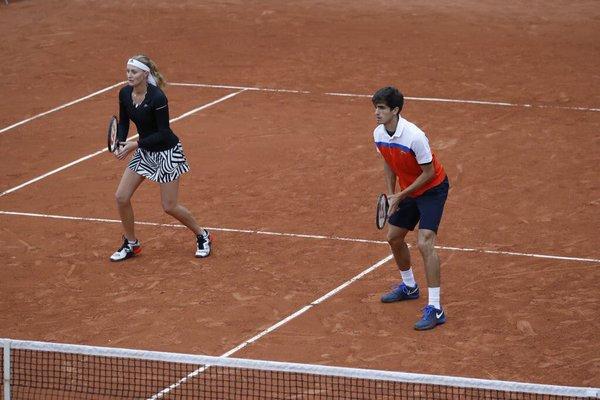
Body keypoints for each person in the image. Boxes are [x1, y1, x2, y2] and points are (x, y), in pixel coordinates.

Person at [109, 55, 211, 262]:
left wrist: (134, 145)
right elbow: (123, 123)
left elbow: (164, 133)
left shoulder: (157, 98)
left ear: (145, 74)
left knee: (169, 206)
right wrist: (120, 140)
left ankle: (202, 235)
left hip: (166, 152)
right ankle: (131, 243)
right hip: (146, 151)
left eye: (134, 72)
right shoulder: (124, 93)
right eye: (127, 71)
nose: (129, 75)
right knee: (121, 197)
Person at [372, 86, 449, 330]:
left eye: (382, 108)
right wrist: (391, 193)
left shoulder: (414, 136)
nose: (377, 112)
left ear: (395, 110)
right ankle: (409, 287)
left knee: (425, 242)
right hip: (407, 190)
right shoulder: (379, 134)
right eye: (376, 107)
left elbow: (429, 173)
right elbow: (388, 161)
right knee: (394, 238)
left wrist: (401, 194)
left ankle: (435, 309)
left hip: (432, 189)